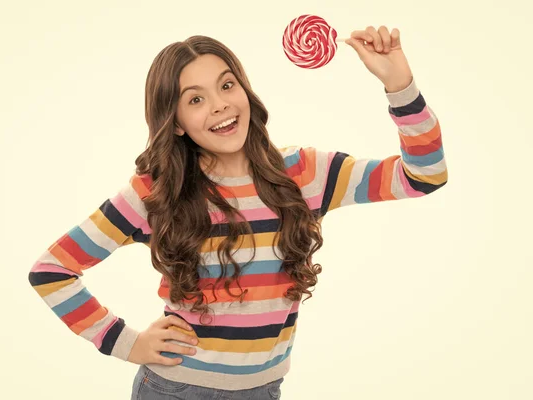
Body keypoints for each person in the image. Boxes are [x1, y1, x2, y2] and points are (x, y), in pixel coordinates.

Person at [28, 25, 448, 399]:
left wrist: (399, 84)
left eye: (227, 86)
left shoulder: (305, 174)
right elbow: (52, 271)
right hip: (176, 389)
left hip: (264, 389)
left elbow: (423, 176)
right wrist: (125, 342)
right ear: (175, 122)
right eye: (195, 99)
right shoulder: (156, 194)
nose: (219, 105)